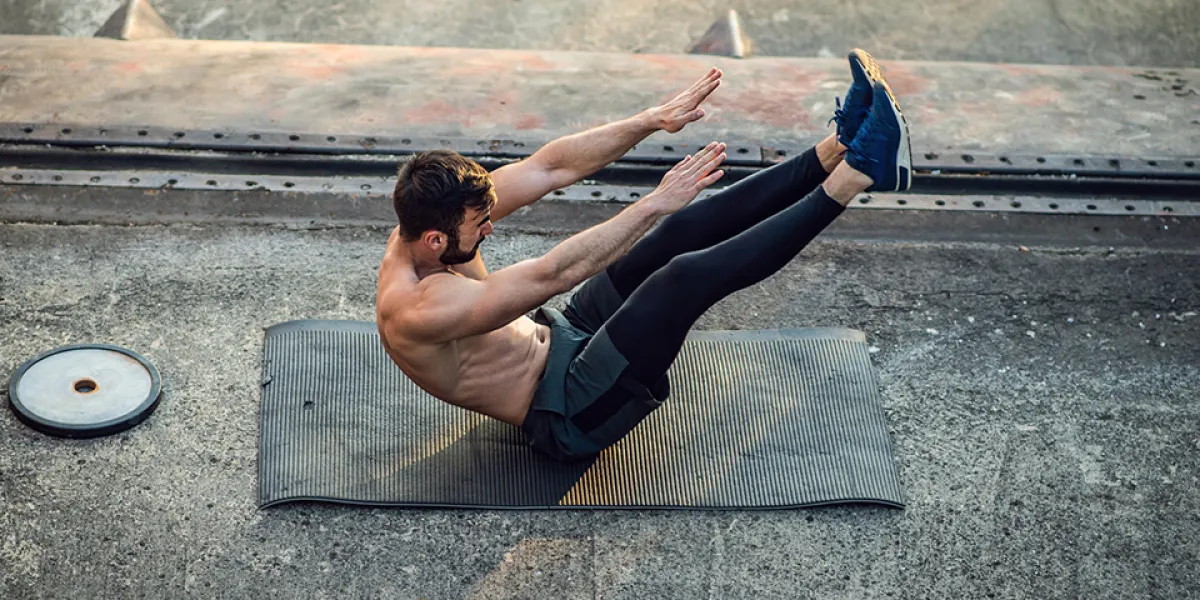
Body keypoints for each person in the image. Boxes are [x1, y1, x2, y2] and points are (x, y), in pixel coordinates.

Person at [376, 49, 911, 461]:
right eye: (480, 225)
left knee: (673, 236)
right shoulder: (418, 308)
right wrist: (652, 202)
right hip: (568, 405)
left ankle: (838, 146)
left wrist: (649, 120)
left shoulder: (434, 214)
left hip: (564, 333)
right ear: (436, 243)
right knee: (679, 278)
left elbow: (548, 167)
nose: (491, 226)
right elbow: (553, 272)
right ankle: (859, 173)